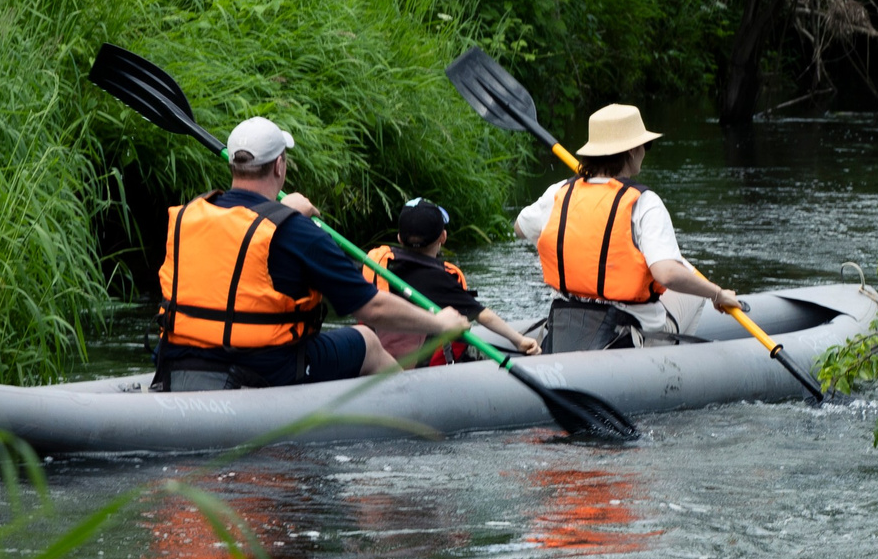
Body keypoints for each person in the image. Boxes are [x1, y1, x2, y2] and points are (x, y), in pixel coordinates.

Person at [154, 116, 468, 389]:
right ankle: (415, 416)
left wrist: (280, 212)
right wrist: (439, 323)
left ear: (233, 165)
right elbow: (371, 308)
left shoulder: (189, 216)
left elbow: (241, 241)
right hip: (264, 366)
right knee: (368, 341)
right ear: (279, 166)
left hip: (176, 356)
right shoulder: (296, 232)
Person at [514, 105, 741, 344]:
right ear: (632, 151)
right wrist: (717, 293)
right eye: (646, 145)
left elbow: (520, 227)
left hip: (567, 324)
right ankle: (671, 359)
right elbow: (667, 274)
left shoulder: (560, 192)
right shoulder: (644, 202)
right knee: (693, 285)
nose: (645, 151)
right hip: (627, 333)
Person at [363, 197, 542, 360]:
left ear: (399, 239)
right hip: (420, 366)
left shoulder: (380, 267)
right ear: (443, 237)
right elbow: (483, 315)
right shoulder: (441, 279)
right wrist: (518, 340)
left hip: (377, 357)